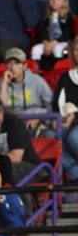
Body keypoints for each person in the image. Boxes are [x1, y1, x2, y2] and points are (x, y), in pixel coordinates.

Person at [0, 47, 54, 135]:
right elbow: (0, 109)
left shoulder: (36, 80)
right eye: (9, 63)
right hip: (12, 123)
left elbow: (52, 104)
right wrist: (4, 84)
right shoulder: (0, 84)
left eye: (17, 63)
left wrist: (39, 116)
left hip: (34, 122)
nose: (12, 67)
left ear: (24, 65)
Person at [53, 36, 78, 182]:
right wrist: (62, 118)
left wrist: (74, 114)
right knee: (51, 136)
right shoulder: (66, 77)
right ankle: (76, 174)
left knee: (74, 137)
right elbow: (57, 104)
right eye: (76, 49)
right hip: (66, 120)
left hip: (74, 122)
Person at [30, 0, 75, 71]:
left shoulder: (68, 16)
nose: (54, 1)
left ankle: (58, 71)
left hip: (63, 42)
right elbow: (41, 31)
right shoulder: (46, 17)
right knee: (35, 49)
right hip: (48, 42)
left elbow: (68, 33)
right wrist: (45, 41)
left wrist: (55, 42)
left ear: (64, 2)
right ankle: (36, 72)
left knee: (57, 49)